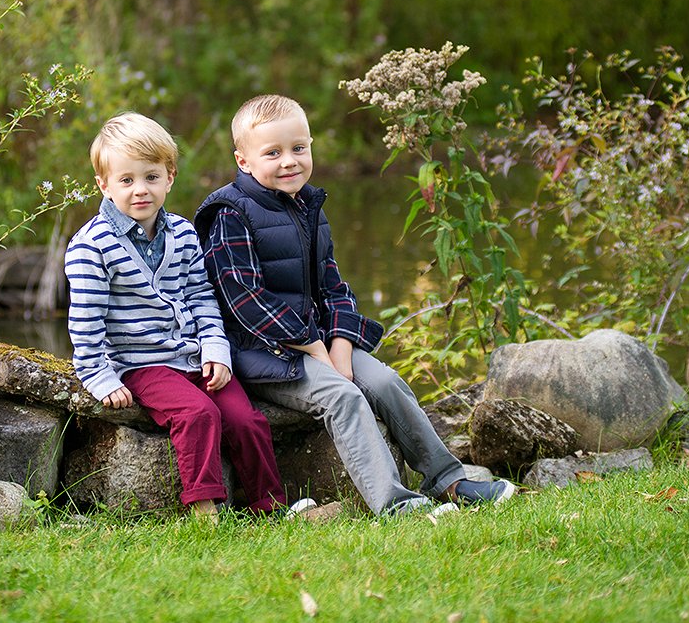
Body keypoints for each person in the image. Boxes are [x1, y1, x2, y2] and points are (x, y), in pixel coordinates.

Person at [195, 95, 517, 517]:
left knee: (383, 381)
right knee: (342, 395)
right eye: (272, 153)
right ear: (243, 160)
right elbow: (244, 300)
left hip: (318, 344)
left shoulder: (308, 205)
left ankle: (450, 479)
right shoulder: (230, 213)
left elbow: (334, 284)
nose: (289, 161)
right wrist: (314, 347)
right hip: (260, 353)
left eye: (299, 148)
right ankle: (397, 506)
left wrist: (342, 343)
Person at [66, 112, 322, 519]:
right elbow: (85, 321)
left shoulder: (183, 233)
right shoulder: (90, 247)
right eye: (126, 180)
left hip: (192, 356)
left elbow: (202, 297)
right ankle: (205, 509)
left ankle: (269, 507)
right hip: (142, 365)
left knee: (246, 420)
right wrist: (100, 376)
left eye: (151, 177)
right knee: (197, 414)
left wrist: (216, 350)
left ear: (169, 177)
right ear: (104, 184)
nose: (140, 191)